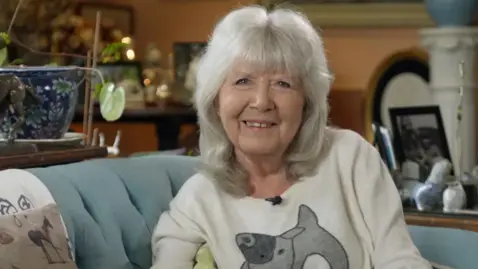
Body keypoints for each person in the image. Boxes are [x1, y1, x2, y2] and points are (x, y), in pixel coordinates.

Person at [151, 5, 431, 269]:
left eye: (282, 84)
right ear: (216, 100)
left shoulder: (350, 158)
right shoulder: (199, 200)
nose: (261, 102)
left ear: (306, 103)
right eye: (243, 81)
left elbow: (400, 260)